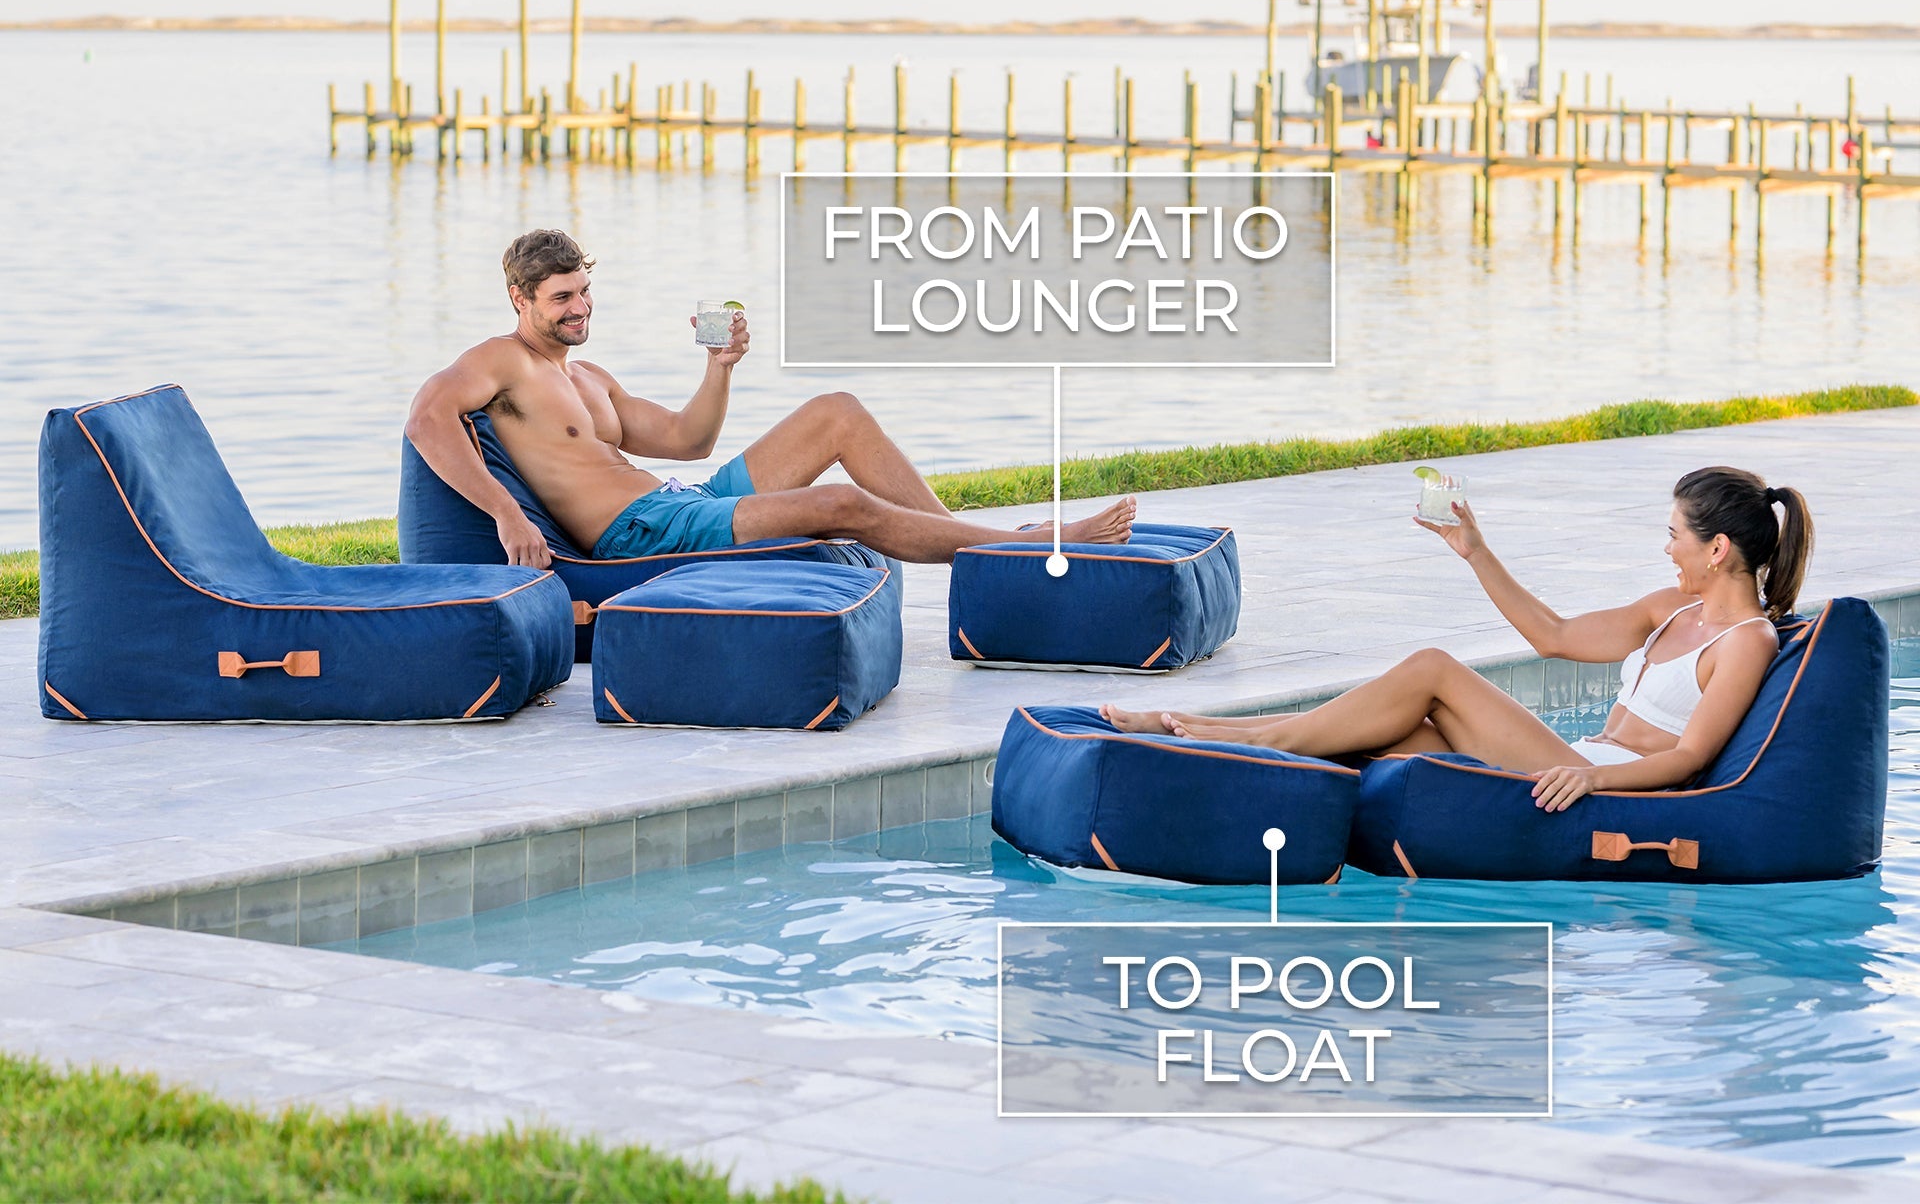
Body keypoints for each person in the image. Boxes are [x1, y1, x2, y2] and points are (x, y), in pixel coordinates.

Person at [405, 228, 1136, 569]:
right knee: (840, 507)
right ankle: (1025, 547)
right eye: (562, 298)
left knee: (837, 411)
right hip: (638, 534)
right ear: (519, 299)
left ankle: (978, 547)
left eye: (585, 292)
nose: (579, 308)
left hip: (679, 496)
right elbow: (426, 417)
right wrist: (505, 515)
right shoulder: (501, 362)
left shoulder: (589, 378)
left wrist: (720, 367)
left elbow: (689, 440)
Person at [1101, 467, 1809, 813]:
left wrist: (1591, 776)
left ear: (1716, 550)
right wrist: (1475, 551)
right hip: (1576, 759)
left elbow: (1689, 757)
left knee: (1435, 669)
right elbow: (1553, 635)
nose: (1667, 550)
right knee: (1398, 732)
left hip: (1598, 781)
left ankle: (1212, 732)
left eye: (1675, 536)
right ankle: (1204, 732)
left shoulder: (1746, 642)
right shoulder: (1667, 609)